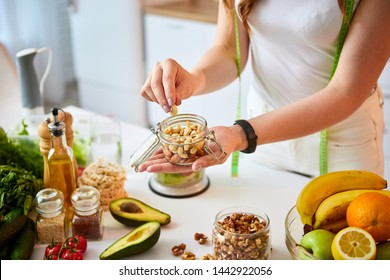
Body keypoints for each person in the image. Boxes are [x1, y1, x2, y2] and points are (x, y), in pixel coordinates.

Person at [138, 0, 389, 177]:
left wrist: (242, 134)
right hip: (262, 140)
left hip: (341, 144)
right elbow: (229, 49)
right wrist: (194, 78)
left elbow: (345, 91)